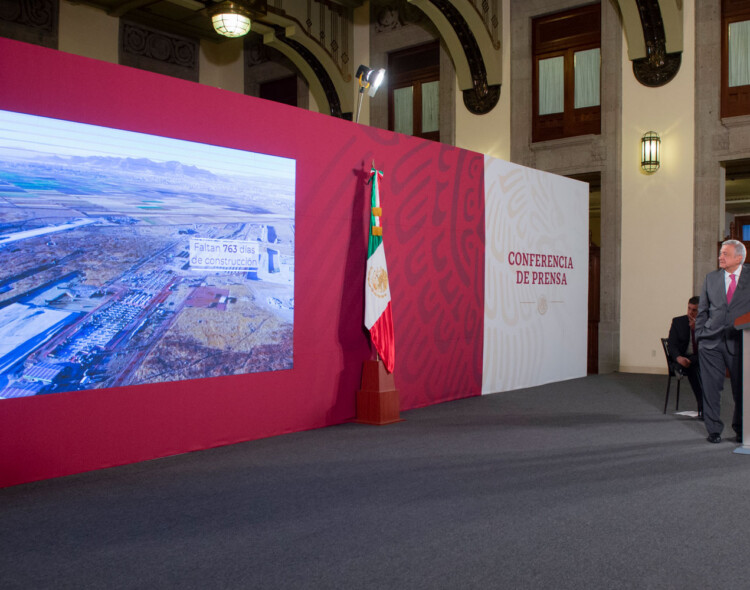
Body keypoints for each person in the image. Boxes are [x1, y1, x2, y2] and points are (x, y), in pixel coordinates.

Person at [695, 239, 750, 444]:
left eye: (725, 254)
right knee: (711, 388)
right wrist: (700, 335)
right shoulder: (711, 278)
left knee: (741, 389)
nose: (720, 257)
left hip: (740, 341)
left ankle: (741, 429)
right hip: (710, 342)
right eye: (720, 253)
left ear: (739, 257)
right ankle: (713, 430)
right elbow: (702, 310)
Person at [668, 296, 703, 418]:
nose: (690, 312)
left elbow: (707, 345)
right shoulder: (678, 321)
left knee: (696, 365)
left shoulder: (705, 323)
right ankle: (703, 408)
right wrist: (678, 358)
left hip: (698, 358)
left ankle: (705, 407)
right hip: (682, 358)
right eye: (689, 308)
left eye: (694, 310)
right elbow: (671, 345)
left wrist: (697, 328)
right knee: (694, 368)